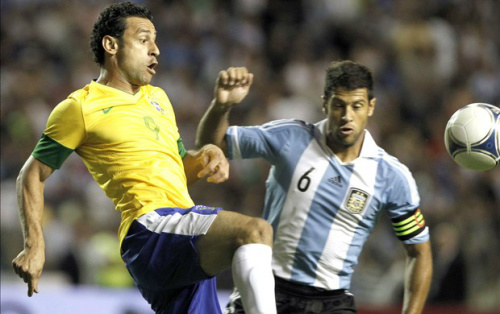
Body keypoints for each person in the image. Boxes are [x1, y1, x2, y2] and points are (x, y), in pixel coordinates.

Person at [11, 3, 277, 314]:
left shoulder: (158, 98)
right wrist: (34, 245)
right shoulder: (80, 108)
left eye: (156, 40)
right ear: (111, 45)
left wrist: (205, 155)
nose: (156, 50)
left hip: (182, 233)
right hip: (149, 231)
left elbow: (179, 166)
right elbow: (31, 174)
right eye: (143, 40)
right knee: (255, 231)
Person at [196, 62, 433, 314]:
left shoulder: (391, 176)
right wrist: (221, 105)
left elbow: (419, 252)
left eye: (357, 106)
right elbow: (211, 144)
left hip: (331, 302)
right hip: (267, 287)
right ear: (324, 104)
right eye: (339, 105)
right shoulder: (290, 137)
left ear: (371, 107)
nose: (347, 116)